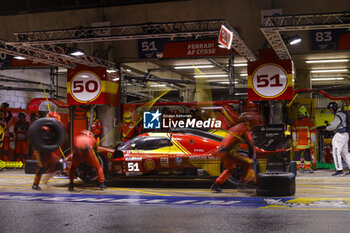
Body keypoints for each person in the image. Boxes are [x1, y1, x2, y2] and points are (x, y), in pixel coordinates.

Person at [210, 112, 259, 192]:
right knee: (248, 163)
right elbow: (250, 144)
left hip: (222, 151)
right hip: (228, 152)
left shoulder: (237, 127)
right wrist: (252, 157)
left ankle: (216, 184)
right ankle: (242, 185)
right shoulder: (244, 128)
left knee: (230, 169)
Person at [32, 112, 62, 190]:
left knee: (56, 164)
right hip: (40, 150)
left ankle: (46, 180)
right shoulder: (43, 128)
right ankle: (35, 184)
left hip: (49, 150)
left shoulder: (54, 129)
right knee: (42, 167)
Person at [323, 102, 350, 176]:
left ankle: (339, 170)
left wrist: (325, 128)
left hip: (340, 135)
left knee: (335, 152)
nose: (331, 112)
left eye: (331, 110)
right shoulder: (343, 113)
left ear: (334, 109)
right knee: (345, 153)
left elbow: (333, 126)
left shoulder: (338, 115)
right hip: (345, 135)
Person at [292, 106, 316, 173]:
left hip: (306, 143)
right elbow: (294, 132)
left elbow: (312, 132)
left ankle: (307, 168)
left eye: (300, 113)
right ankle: (297, 168)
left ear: (304, 113)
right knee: (297, 157)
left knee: (307, 156)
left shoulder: (309, 121)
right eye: (299, 113)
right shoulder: (296, 122)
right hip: (299, 143)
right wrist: (294, 140)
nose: (299, 114)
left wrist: (313, 141)